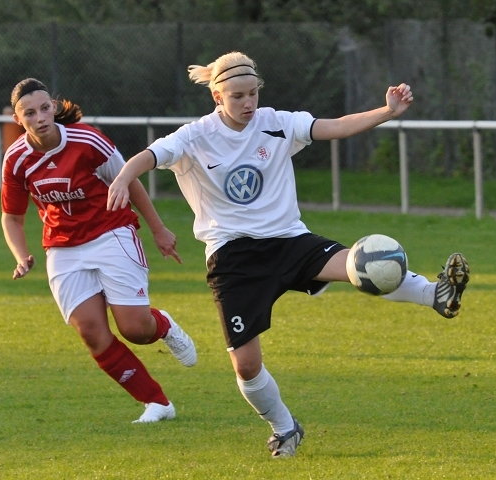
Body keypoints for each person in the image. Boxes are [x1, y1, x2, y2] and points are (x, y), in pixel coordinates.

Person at [107, 52, 470, 456]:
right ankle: (285, 427)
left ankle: (435, 294)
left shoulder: (277, 123)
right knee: (245, 366)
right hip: (233, 259)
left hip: (289, 240)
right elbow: (149, 156)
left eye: (253, 94)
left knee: (361, 264)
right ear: (216, 96)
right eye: (238, 96)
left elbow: (333, 127)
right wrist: (123, 176)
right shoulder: (195, 136)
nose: (248, 104)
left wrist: (386, 111)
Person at [1, 78, 197, 424]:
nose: (40, 117)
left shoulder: (87, 141)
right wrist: (21, 256)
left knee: (135, 329)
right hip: (63, 248)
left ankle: (162, 324)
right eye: (29, 113)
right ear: (19, 120)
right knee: (91, 332)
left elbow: (130, 182)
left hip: (111, 233)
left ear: (54, 106)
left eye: (45, 108)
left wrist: (159, 230)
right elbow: (12, 218)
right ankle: (157, 403)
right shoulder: (16, 159)